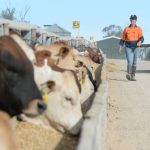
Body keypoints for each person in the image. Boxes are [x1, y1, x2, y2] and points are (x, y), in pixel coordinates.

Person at [119, 15, 144, 81]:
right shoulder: (126, 29)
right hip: (128, 47)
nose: (132, 21)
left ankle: (133, 76)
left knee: (134, 62)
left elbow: (142, 37)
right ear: (130, 20)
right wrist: (121, 46)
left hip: (136, 48)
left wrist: (140, 41)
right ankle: (128, 74)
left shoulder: (139, 28)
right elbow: (122, 38)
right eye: (131, 19)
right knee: (130, 61)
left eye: (134, 20)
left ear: (136, 20)